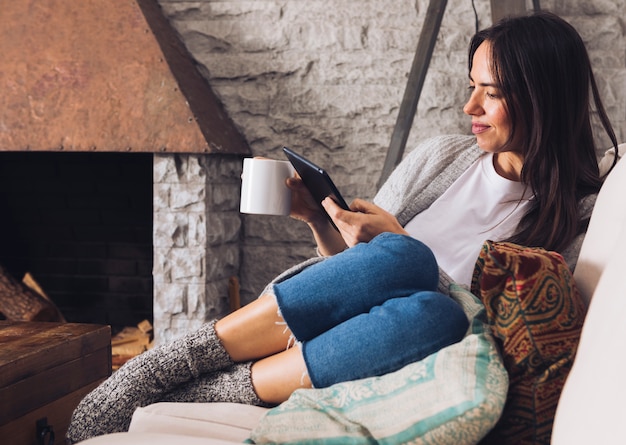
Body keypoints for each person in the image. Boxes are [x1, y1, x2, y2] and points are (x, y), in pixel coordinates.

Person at [67, 11, 618, 443]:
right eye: (472, 85)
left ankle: (221, 390)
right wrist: (318, 220)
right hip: (317, 328)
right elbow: (353, 274)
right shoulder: (441, 158)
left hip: (406, 345)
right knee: (404, 259)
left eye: (491, 92)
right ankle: (168, 366)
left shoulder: (576, 218)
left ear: (542, 98)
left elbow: (500, 330)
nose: (469, 105)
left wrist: (401, 245)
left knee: (433, 301)